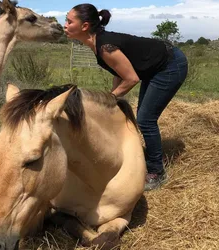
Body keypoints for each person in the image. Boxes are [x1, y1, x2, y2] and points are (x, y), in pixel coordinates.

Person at [64, 4, 188, 191]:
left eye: (69, 21)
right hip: (155, 67)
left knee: (145, 119)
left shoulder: (105, 46)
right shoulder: (98, 44)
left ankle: (157, 172)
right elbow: (119, 71)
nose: (64, 25)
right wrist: (114, 98)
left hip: (170, 65)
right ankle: (153, 157)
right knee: (143, 116)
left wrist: (109, 100)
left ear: (84, 26)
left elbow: (131, 78)